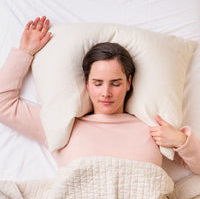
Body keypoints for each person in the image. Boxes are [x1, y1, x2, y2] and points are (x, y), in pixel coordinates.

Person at [0, 16, 200, 174]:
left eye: (116, 83)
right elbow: (3, 104)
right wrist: (25, 52)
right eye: (97, 83)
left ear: (129, 83)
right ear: (86, 84)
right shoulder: (61, 126)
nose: (106, 93)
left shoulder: (153, 130)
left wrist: (182, 141)